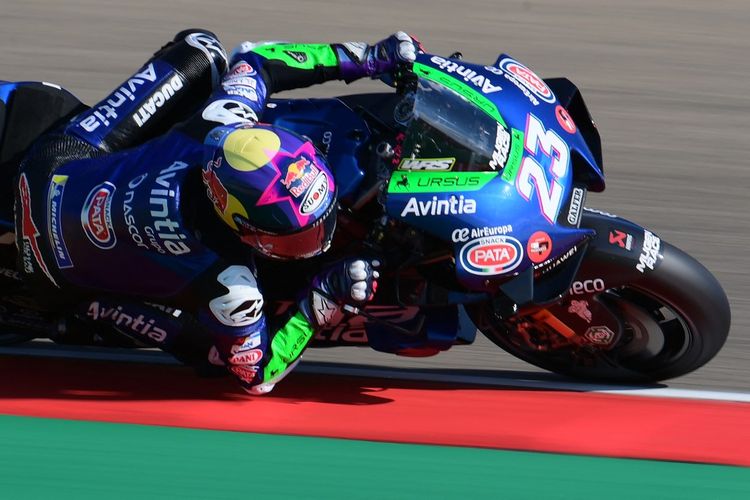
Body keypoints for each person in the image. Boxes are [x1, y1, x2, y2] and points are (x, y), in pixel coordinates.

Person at [13, 29, 422, 394]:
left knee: (201, 50)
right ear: (242, 227)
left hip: (53, 170)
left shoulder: (220, 121)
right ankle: (81, 314)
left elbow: (256, 63)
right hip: (54, 276)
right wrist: (321, 300)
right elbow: (257, 375)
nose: (322, 238)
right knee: (212, 355)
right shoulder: (232, 285)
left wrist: (369, 58)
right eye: (298, 236)